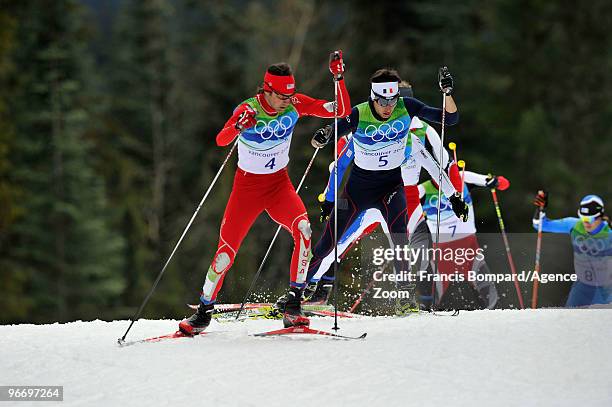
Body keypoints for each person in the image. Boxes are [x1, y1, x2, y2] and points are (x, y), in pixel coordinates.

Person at [179, 52, 351, 334]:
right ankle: (204, 311)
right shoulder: (248, 109)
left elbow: (340, 110)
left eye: (290, 95)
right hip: (247, 189)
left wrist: (338, 78)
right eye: (281, 96)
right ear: (266, 90)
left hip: (279, 186)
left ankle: (294, 305)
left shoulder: (294, 103)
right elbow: (221, 140)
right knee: (225, 254)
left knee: (304, 230)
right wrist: (237, 126)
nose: (287, 100)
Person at [277, 67, 468, 312]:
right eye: (383, 101)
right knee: (328, 245)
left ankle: (406, 301)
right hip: (358, 192)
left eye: (393, 100)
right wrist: (325, 136)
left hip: (392, 190)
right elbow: (339, 137)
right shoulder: (360, 113)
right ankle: (298, 292)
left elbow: (449, 121)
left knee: (401, 244)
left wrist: (447, 92)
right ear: (372, 97)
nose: (389, 107)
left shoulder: (410, 118)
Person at [417, 171, 510, 310]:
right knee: (430, 295)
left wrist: (496, 181)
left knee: (488, 290)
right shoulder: (423, 190)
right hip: (443, 253)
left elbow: (504, 184)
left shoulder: (463, 178)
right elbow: (403, 206)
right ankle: (422, 318)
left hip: (469, 248)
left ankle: (496, 319)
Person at [533, 193, 612, 307]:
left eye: (590, 219)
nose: (586, 222)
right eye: (583, 218)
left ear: (600, 216)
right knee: (570, 319)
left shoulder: (609, 232)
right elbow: (539, 225)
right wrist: (540, 209)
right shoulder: (573, 225)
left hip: (606, 288)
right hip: (582, 286)